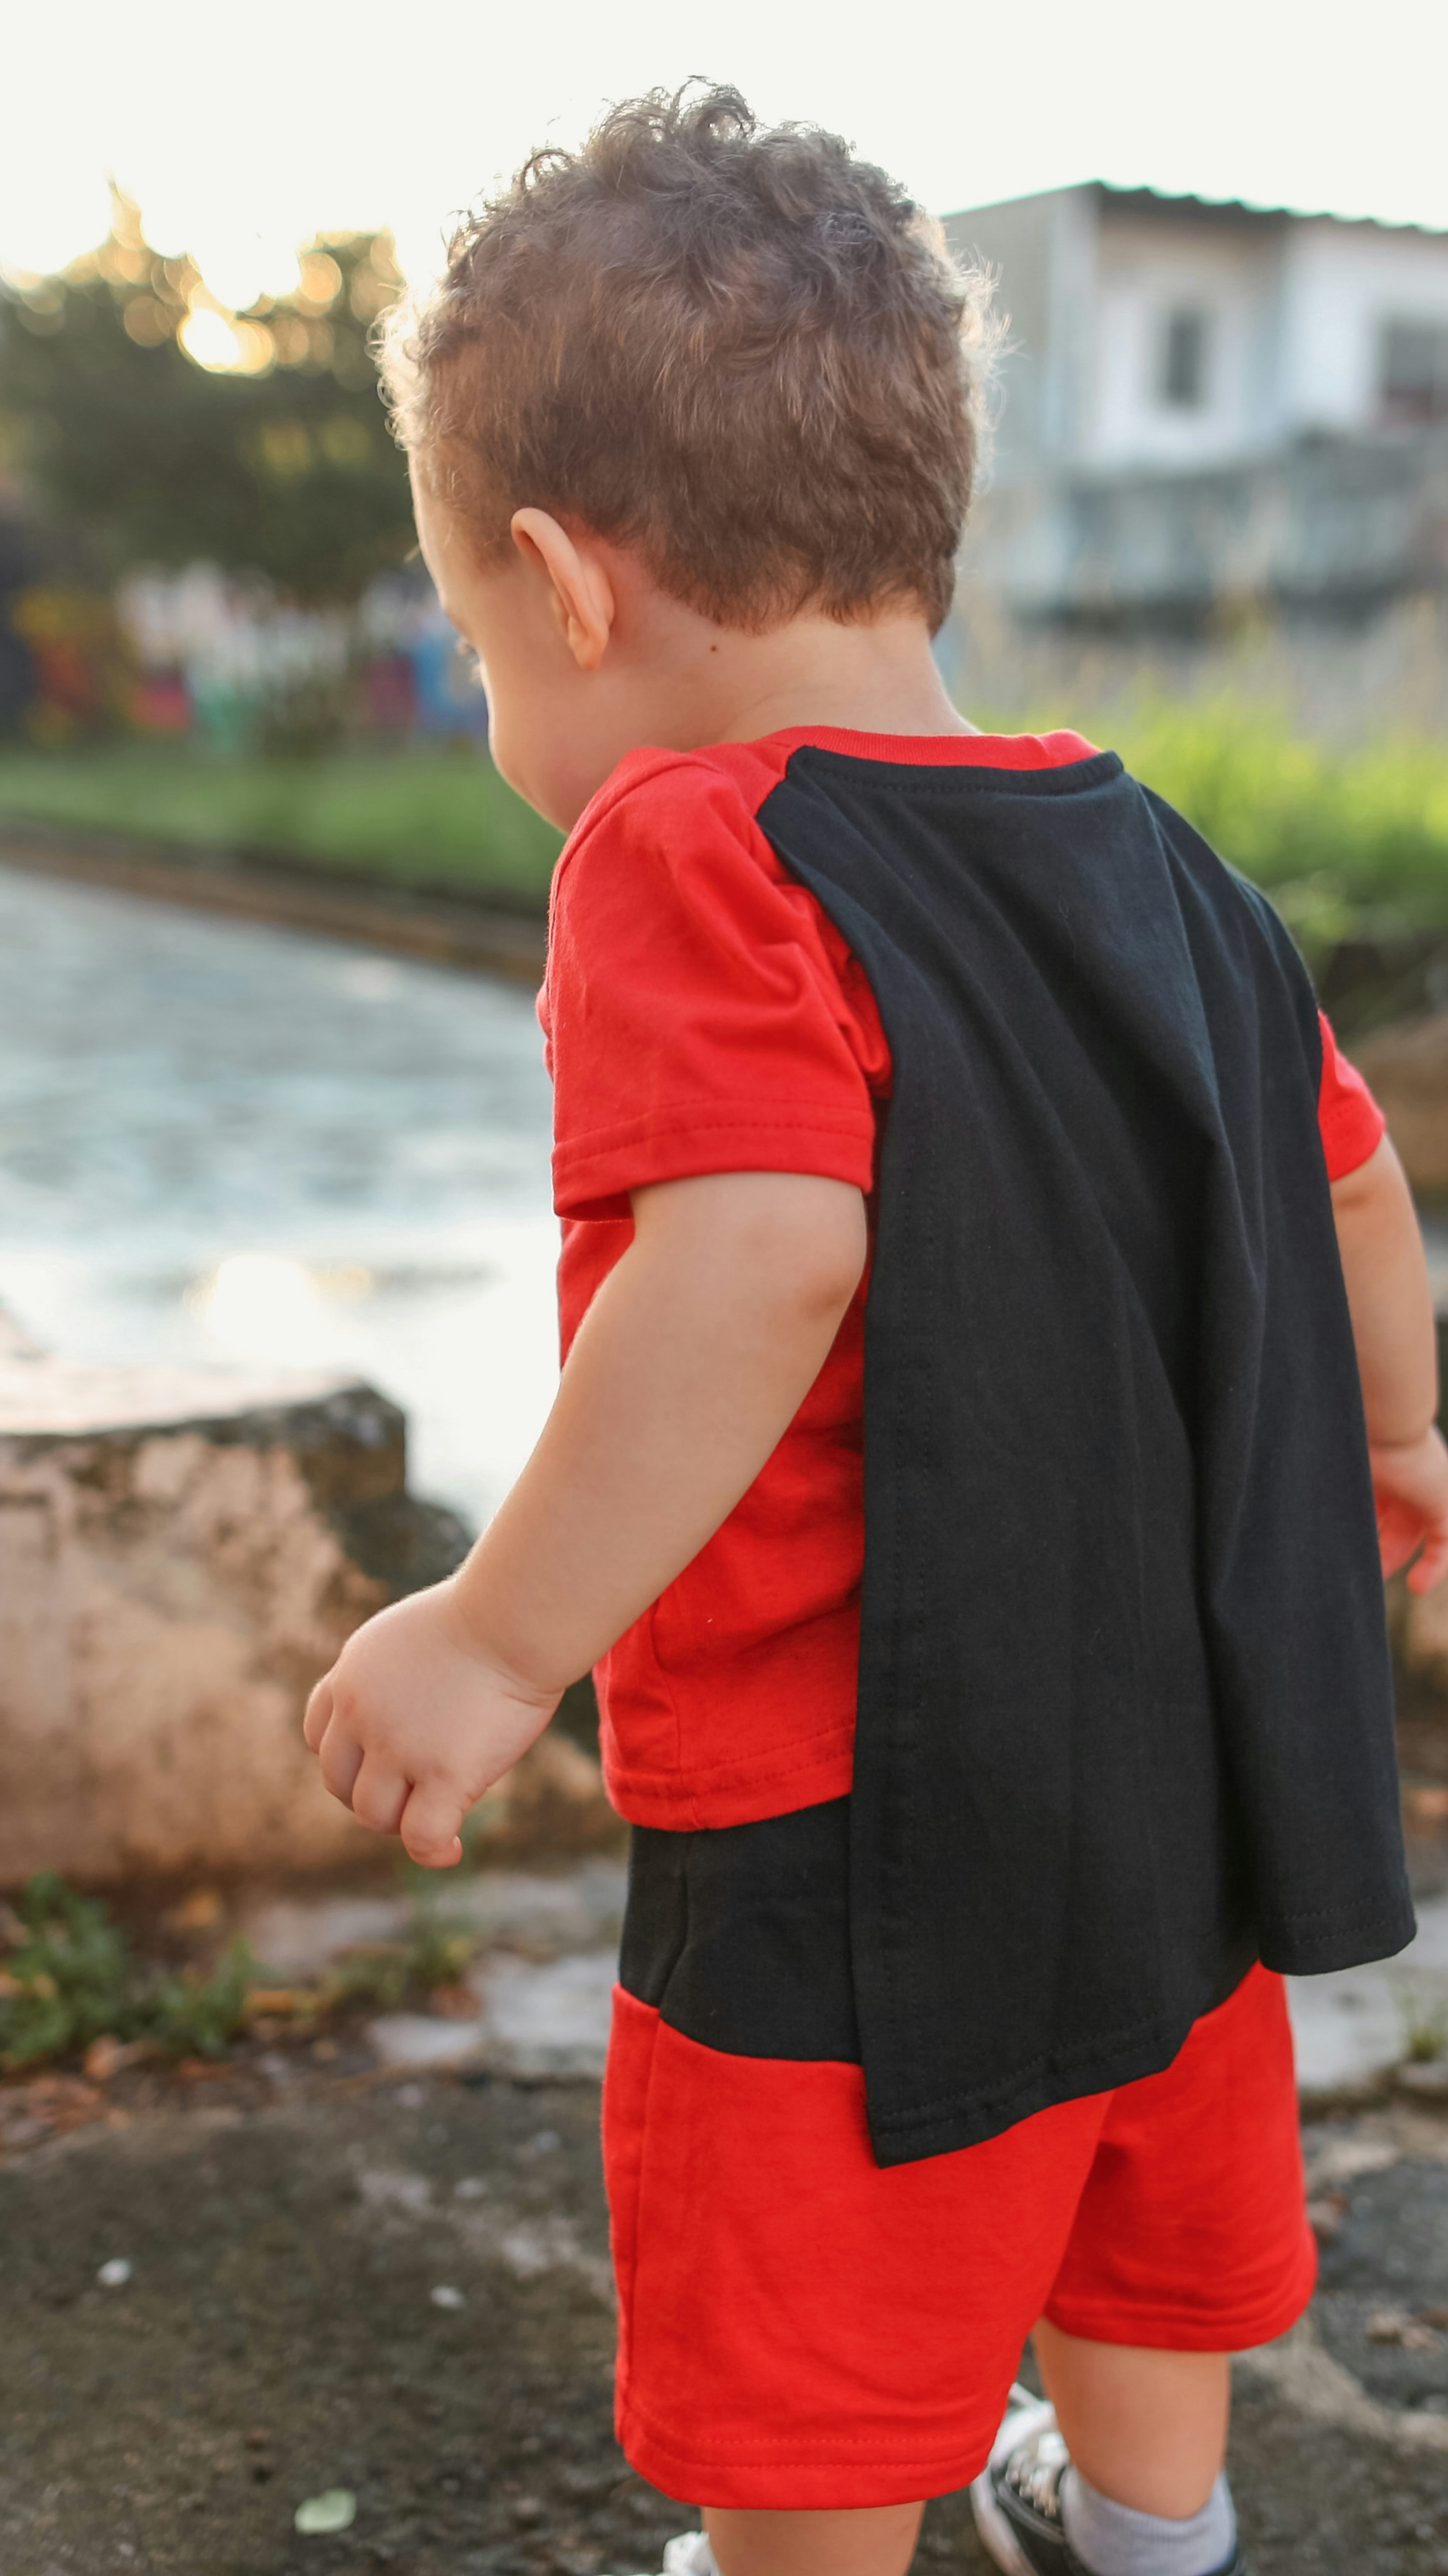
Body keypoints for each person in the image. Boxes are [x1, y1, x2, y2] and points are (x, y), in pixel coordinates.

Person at [303, 85, 1445, 2576]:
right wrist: (1407, 1442)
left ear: (558, 586)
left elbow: (757, 1250)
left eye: (483, 653)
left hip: (845, 1806)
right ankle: (1149, 2538)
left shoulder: (691, 847)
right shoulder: (1170, 859)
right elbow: (1348, 1179)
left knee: (812, 2337)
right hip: (1186, 1749)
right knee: (1143, 2189)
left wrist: (500, 1637)